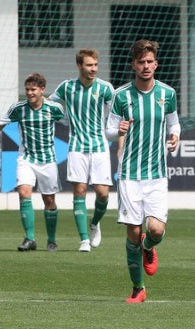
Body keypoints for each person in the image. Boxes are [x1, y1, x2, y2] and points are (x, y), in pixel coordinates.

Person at [105, 39, 180, 303]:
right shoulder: (121, 95)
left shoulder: (167, 93)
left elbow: (174, 123)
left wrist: (174, 136)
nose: (146, 66)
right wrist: (119, 131)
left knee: (155, 230)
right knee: (133, 232)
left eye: (150, 62)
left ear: (156, 64)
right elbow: (109, 131)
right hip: (129, 174)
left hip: (157, 174)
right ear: (133, 65)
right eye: (141, 62)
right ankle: (138, 288)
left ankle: (149, 247)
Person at [0, 73, 66, 252]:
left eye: (33, 90)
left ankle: (52, 240)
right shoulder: (18, 108)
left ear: (42, 90)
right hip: (26, 158)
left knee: (49, 199)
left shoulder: (54, 108)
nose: (30, 93)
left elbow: (71, 122)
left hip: (48, 160)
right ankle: (30, 238)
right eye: (27, 90)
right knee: (24, 193)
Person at [49, 48, 114, 252]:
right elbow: (49, 105)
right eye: (89, 65)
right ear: (79, 66)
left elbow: (116, 115)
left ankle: (95, 223)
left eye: (95, 65)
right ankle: (83, 239)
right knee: (80, 191)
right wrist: (65, 119)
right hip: (77, 147)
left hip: (100, 146)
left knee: (103, 194)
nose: (93, 69)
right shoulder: (67, 87)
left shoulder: (106, 88)